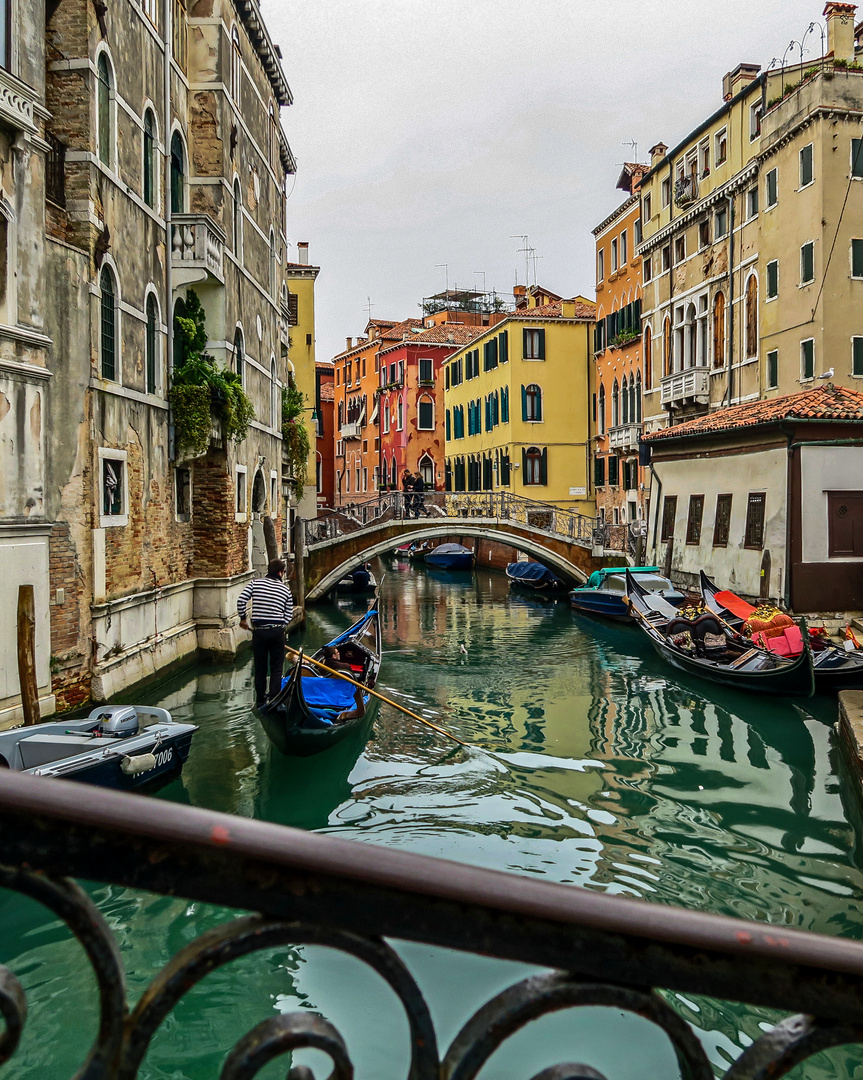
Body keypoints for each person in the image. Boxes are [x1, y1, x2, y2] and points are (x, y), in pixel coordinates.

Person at [237, 559, 293, 707]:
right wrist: (280, 627)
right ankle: (274, 698)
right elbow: (289, 615)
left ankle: (261, 699)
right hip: (276, 632)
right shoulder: (285, 590)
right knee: (276, 667)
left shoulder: (256, 584)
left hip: (259, 632)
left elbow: (241, 600)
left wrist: (243, 619)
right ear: (281, 572)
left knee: (260, 667)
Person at [321, 646, 366, 723]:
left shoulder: (320, 668)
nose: (339, 654)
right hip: (342, 696)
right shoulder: (345, 666)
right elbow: (354, 682)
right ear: (334, 656)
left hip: (325, 693)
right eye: (337, 652)